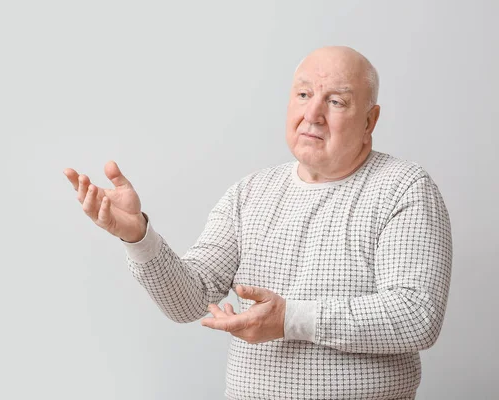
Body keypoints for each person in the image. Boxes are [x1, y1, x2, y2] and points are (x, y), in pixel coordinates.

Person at [63, 46, 452, 400]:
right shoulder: (249, 192)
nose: (312, 114)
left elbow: (416, 316)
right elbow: (190, 300)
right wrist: (137, 237)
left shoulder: (404, 188)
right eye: (303, 95)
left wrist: (290, 320)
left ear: (371, 120)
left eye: (335, 101)